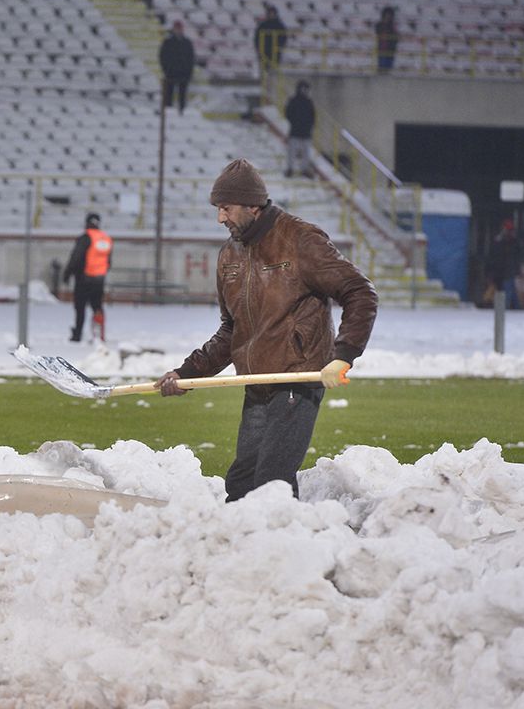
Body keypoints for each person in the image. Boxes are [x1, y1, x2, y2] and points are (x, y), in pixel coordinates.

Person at [158, 159, 378, 502]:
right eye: (218, 209)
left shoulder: (301, 239)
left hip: (297, 379)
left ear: (252, 205)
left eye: (226, 208)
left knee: (270, 483)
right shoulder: (229, 255)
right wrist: (186, 373)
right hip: (257, 383)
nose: (220, 218)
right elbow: (231, 330)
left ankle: (284, 548)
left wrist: (344, 355)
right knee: (242, 480)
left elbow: (360, 292)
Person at [62, 212, 112, 342]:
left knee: (80, 307)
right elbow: (109, 261)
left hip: (84, 278)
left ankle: (77, 334)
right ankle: (99, 334)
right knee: (97, 306)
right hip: (99, 279)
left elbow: (76, 257)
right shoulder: (105, 239)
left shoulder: (85, 238)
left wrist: (67, 273)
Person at [159, 21, 195, 115]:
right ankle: (168, 113)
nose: (178, 30)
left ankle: (182, 113)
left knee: (182, 95)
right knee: (169, 95)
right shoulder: (168, 42)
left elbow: (191, 58)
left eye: (180, 28)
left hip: (183, 74)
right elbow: (163, 56)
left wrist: (189, 72)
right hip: (171, 73)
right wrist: (166, 69)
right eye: (177, 28)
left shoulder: (187, 43)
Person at [485, 218, 522, 309]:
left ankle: (506, 308)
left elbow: (517, 252)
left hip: (508, 270)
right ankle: (515, 307)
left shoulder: (513, 241)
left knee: (508, 289)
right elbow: (494, 255)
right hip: (500, 270)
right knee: (509, 290)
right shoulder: (499, 241)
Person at [283, 80, 315, 179]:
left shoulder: (309, 102)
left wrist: (309, 125)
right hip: (296, 130)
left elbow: (312, 116)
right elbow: (288, 113)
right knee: (292, 151)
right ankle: (290, 168)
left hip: (305, 131)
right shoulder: (293, 101)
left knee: (306, 151)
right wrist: (295, 122)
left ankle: (304, 169)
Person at [254, 4, 287, 75]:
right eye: (270, 13)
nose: (271, 15)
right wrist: (259, 49)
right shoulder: (263, 25)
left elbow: (284, 37)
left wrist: (279, 47)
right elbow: (256, 38)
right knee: (264, 71)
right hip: (264, 52)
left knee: (274, 71)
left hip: (275, 52)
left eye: (273, 13)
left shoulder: (280, 26)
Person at [375, 6, 397, 73]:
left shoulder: (392, 25)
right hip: (382, 48)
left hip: (390, 49)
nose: (388, 16)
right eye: (387, 14)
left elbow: (395, 36)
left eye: (389, 14)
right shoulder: (379, 24)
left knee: (388, 67)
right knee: (381, 66)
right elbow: (378, 32)